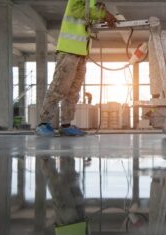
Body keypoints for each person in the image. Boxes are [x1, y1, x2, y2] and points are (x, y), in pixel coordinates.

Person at [36, 0, 117, 136]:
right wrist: (102, 14)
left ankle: (66, 125)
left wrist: (101, 14)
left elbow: (89, 20)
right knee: (59, 87)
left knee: (73, 92)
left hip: (82, 53)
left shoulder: (92, 2)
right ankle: (44, 123)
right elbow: (76, 11)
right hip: (69, 50)